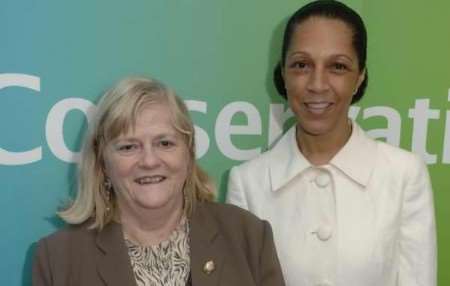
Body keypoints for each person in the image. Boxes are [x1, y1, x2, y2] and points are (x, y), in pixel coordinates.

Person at [226, 1, 437, 285]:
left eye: (337, 66)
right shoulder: (247, 183)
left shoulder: (404, 175)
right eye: (301, 65)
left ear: (359, 76)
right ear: (284, 73)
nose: (317, 84)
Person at [32, 77, 285, 286]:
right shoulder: (57, 259)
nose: (149, 161)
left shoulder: (247, 236)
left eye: (165, 143)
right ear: (102, 163)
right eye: (128, 147)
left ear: (189, 151)